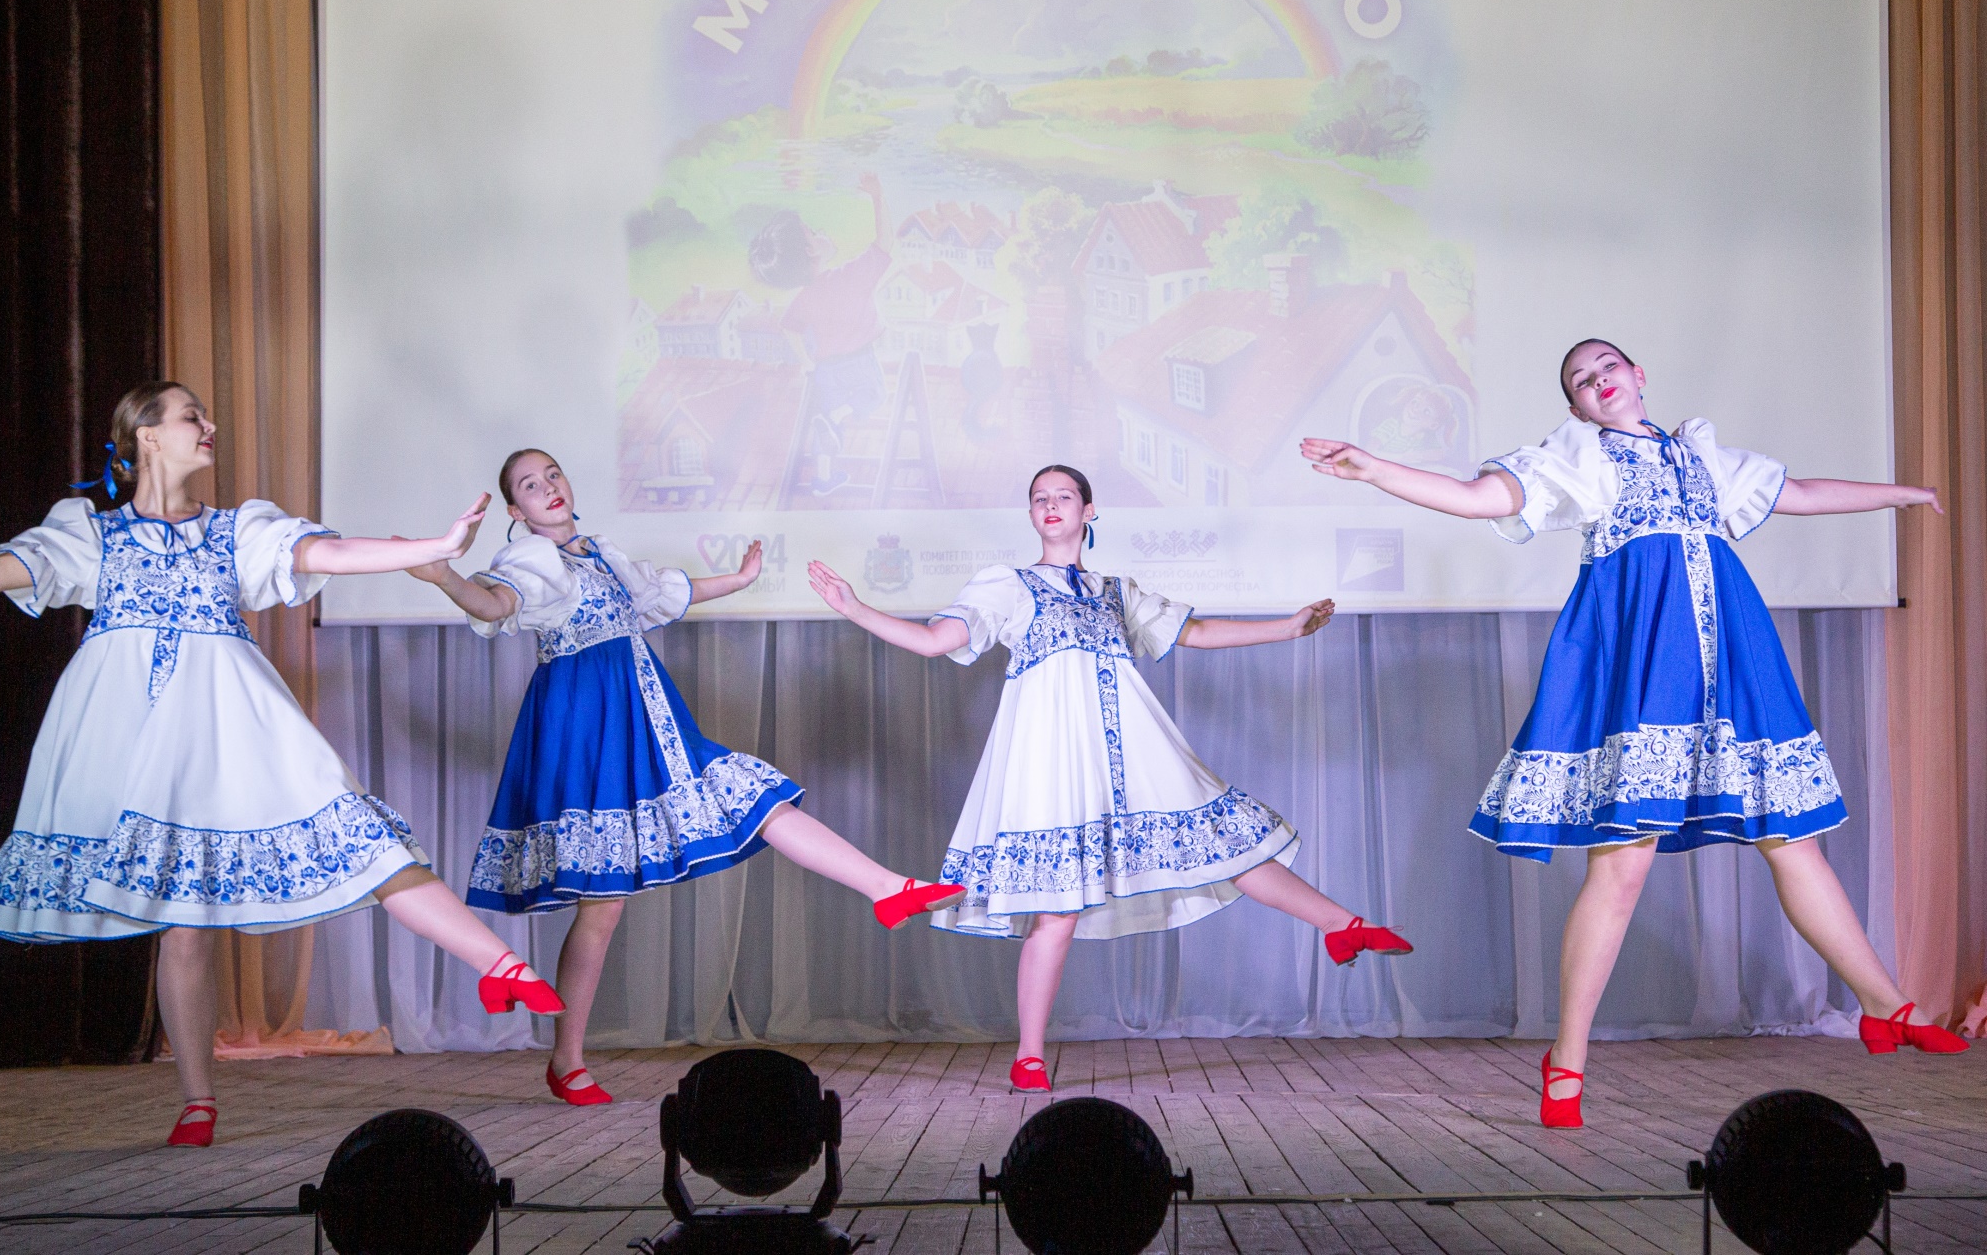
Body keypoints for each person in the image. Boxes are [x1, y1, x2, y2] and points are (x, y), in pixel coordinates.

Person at [0, 382, 561, 1150]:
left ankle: (497, 962)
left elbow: (324, 553)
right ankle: (198, 1100)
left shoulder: (238, 530)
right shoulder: (93, 535)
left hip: (233, 721)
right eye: (192, 415)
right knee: (184, 921)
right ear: (146, 435)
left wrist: (432, 548)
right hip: (133, 733)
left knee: (360, 837)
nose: (210, 424)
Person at [1302, 338, 1968, 1128]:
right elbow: (1480, 497)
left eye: (1606, 366)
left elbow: (1801, 491)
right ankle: (1567, 1059)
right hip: (1649, 665)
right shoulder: (1580, 458)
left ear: (1638, 375)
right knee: (1622, 867)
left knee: (1791, 839)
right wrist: (1376, 470)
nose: (1598, 380)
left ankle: (1886, 1004)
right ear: (1576, 407)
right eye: (1581, 380)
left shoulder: (1702, 456)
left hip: (1731, 659)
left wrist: (1902, 494)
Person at [806, 464, 1412, 1092]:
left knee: (1218, 843)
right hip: (1053, 759)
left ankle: (1341, 925)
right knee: (1057, 907)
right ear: (1031, 514)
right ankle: (1029, 1055)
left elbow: (1196, 632)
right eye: (1039, 498)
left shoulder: (1117, 591)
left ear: (1088, 510)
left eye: (1063, 496)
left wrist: (1288, 627)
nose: (1050, 505)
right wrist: (856, 608)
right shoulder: (1008, 585)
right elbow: (937, 641)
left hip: (1133, 748)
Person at [406, 447, 961, 1105]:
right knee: (603, 906)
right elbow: (493, 603)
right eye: (530, 484)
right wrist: (443, 575)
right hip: (586, 724)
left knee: (754, 797)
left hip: (647, 715)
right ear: (515, 508)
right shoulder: (531, 558)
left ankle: (888, 887)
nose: (548, 487)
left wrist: (740, 578)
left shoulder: (602, 554)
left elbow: (665, 592)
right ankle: (568, 1061)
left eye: (553, 474)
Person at [753, 173, 891, 495]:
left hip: (825, 368)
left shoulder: (805, 297)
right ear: (811, 250)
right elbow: (885, 242)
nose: (823, 232)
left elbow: (788, 327)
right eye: (815, 233)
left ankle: (824, 476)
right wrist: (877, 196)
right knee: (874, 395)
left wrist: (807, 361)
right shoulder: (849, 276)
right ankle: (840, 416)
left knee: (824, 422)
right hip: (858, 360)